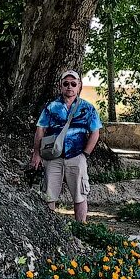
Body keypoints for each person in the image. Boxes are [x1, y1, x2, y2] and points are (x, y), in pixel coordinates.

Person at [29, 69, 102, 223]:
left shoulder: (88, 108)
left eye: (73, 84)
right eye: (66, 83)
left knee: (80, 196)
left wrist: (85, 154)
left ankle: (81, 227)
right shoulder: (51, 107)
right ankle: (49, 227)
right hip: (53, 157)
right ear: (61, 86)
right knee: (49, 194)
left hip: (76, 156)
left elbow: (95, 132)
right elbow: (40, 129)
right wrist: (36, 154)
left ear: (79, 86)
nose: (70, 87)